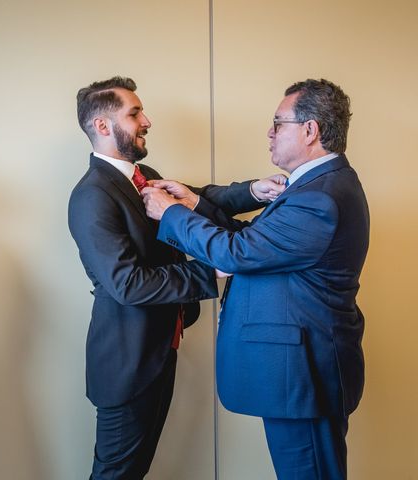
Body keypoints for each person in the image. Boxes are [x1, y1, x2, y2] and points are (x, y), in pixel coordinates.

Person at [143, 78, 369, 479]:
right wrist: (193, 202)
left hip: (302, 376)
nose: (270, 132)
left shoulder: (319, 197)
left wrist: (170, 213)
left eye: (278, 122)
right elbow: (255, 243)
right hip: (296, 372)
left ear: (310, 130)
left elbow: (237, 253)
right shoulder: (318, 186)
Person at [68, 76, 284, 479]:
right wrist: (216, 267)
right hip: (125, 363)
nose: (146, 120)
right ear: (102, 125)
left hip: (159, 351)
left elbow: (193, 197)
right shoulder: (92, 195)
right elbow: (127, 284)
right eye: (134, 113)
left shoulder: (141, 173)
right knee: (116, 473)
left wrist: (254, 191)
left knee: (136, 470)